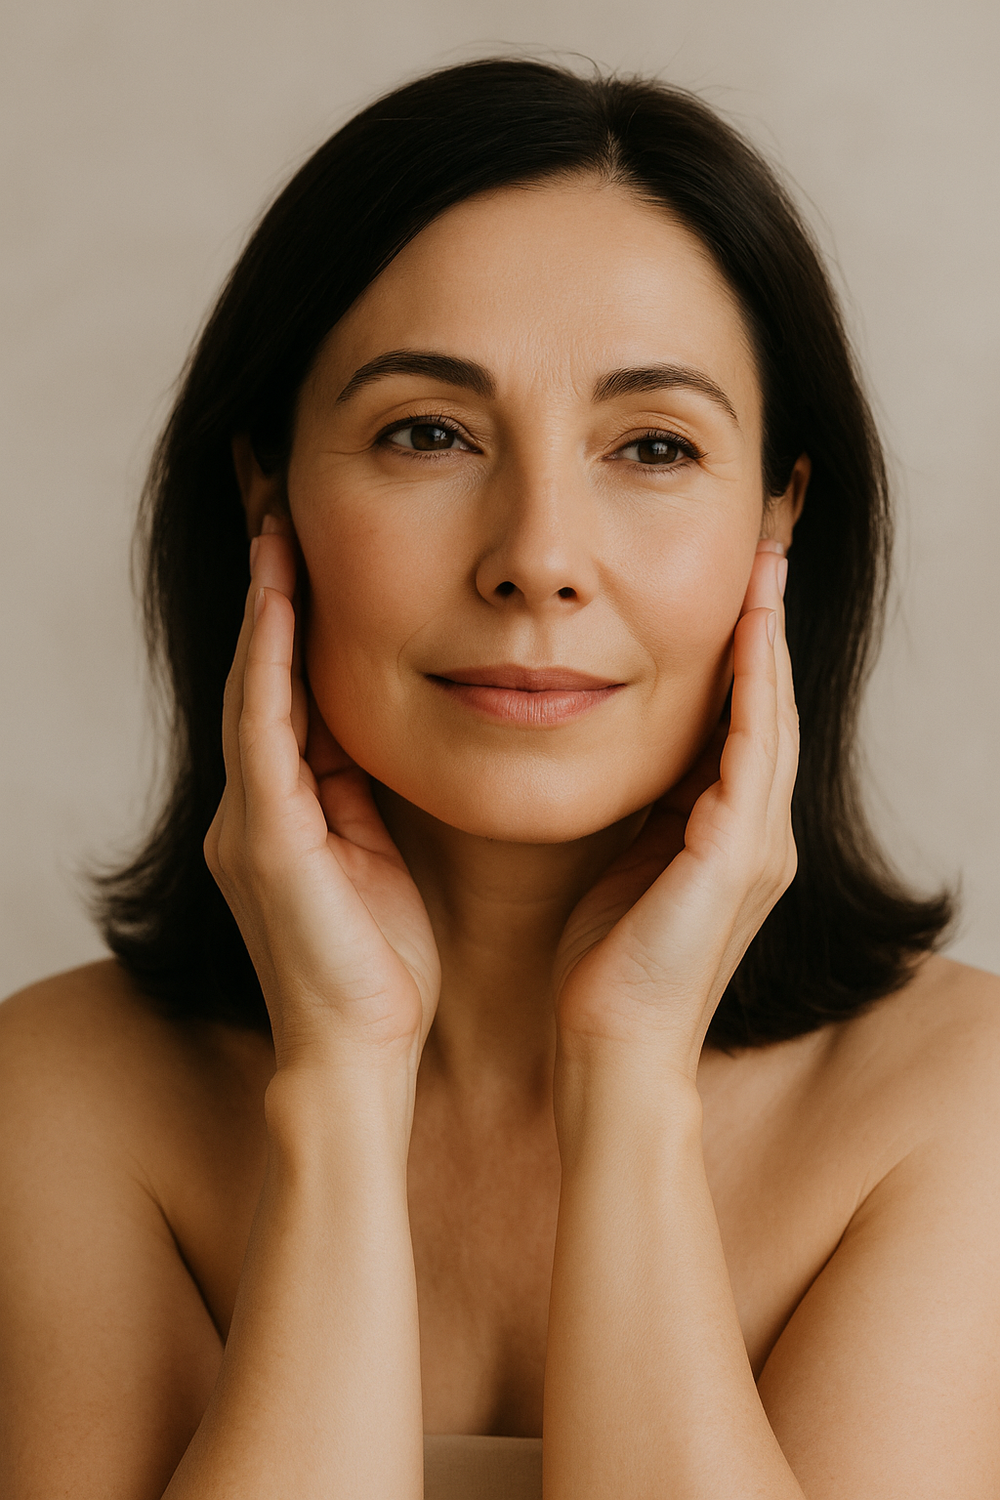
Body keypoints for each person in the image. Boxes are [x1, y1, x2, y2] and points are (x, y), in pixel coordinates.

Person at [0, 55, 997, 1500]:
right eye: (429, 434)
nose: (539, 554)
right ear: (266, 485)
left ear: (778, 514)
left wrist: (633, 1080)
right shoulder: (60, 1096)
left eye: (653, 446)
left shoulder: (949, 1104)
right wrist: (339, 1088)